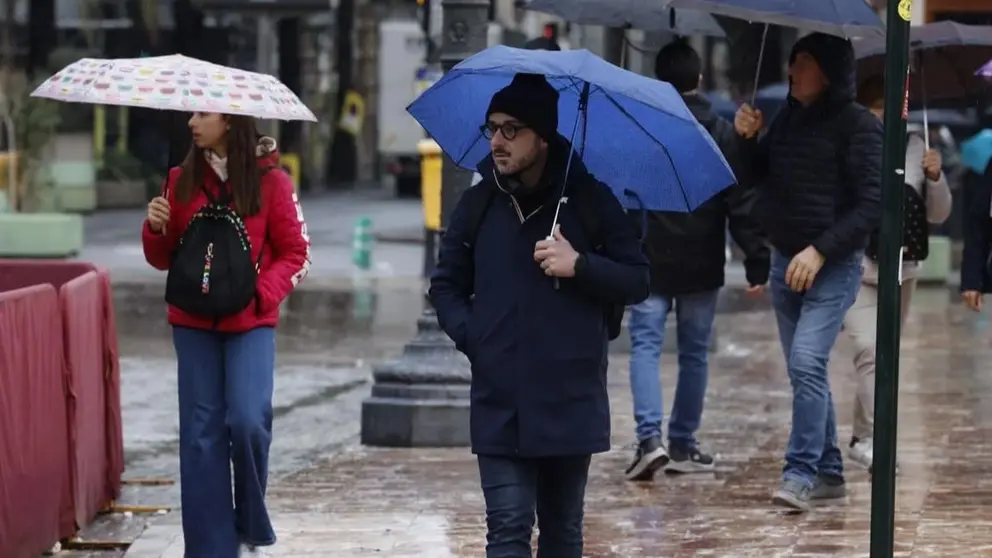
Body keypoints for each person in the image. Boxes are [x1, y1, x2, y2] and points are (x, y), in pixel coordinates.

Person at [430, 73, 649, 557]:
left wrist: (581, 265)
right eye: (492, 128)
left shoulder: (592, 201)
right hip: (499, 398)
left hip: (570, 396)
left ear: (543, 137)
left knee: (562, 532)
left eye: (512, 129)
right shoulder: (479, 203)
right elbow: (445, 285)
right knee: (506, 528)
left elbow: (638, 279)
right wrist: (476, 337)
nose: (497, 141)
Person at [143, 113, 311, 557]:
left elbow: (296, 253)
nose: (193, 122)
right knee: (201, 438)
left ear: (232, 121)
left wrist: (261, 294)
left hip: (250, 323)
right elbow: (163, 259)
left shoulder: (273, 182)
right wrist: (156, 227)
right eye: (191, 113)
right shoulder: (180, 179)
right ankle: (210, 548)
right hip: (192, 321)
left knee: (248, 420)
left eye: (204, 114)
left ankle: (250, 521)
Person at [733, 32, 882, 511]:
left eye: (804, 62)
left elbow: (873, 205)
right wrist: (748, 139)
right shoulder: (788, 118)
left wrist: (819, 251)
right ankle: (830, 472)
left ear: (830, 71)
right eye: (793, 61)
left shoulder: (859, 126)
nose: (793, 70)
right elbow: (758, 176)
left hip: (831, 267)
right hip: (784, 263)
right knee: (806, 375)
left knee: (806, 363)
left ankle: (799, 473)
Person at [624, 40, 770, 481]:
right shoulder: (720, 131)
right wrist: (756, 258)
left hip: (647, 256)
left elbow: (623, 193)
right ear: (700, 80)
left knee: (645, 346)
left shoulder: (643, 129)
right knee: (693, 354)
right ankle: (683, 443)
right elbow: (740, 200)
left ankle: (650, 440)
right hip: (702, 259)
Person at [842, 74, 952, 471]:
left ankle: (861, 436)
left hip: (904, 269)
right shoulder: (854, 147)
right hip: (858, 267)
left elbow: (938, 215)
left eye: (893, 111)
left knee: (883, 356)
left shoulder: (918, 148)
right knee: (870, 350)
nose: (885, 119)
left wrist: (935, 178)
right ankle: (879, 442)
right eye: (877, 110)